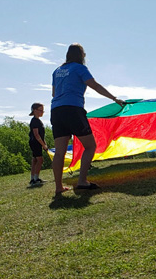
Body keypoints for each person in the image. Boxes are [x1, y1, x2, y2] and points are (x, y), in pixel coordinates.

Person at [50, 43, 125, 196]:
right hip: (73, 109)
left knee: (60, 152)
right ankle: (82, 181)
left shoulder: (57, 71)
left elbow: (53, 93)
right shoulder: (80, 68)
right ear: (81, 55)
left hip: (56, 111)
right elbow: (94, 86)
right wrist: (114, 98)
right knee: (90, 146)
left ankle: (58, 187)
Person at [28, 102, 48, 187]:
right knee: (40, 160)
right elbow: (36, 135)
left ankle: (33, 178)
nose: (42, 112)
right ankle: (36, 179)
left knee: (35, 160)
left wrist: (44, 143)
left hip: (35, 142)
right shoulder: (35, 121)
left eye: (43, 111)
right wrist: (43, 145)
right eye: (41, 110)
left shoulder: (37, 120)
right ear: (35, 110)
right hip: (35, 143)